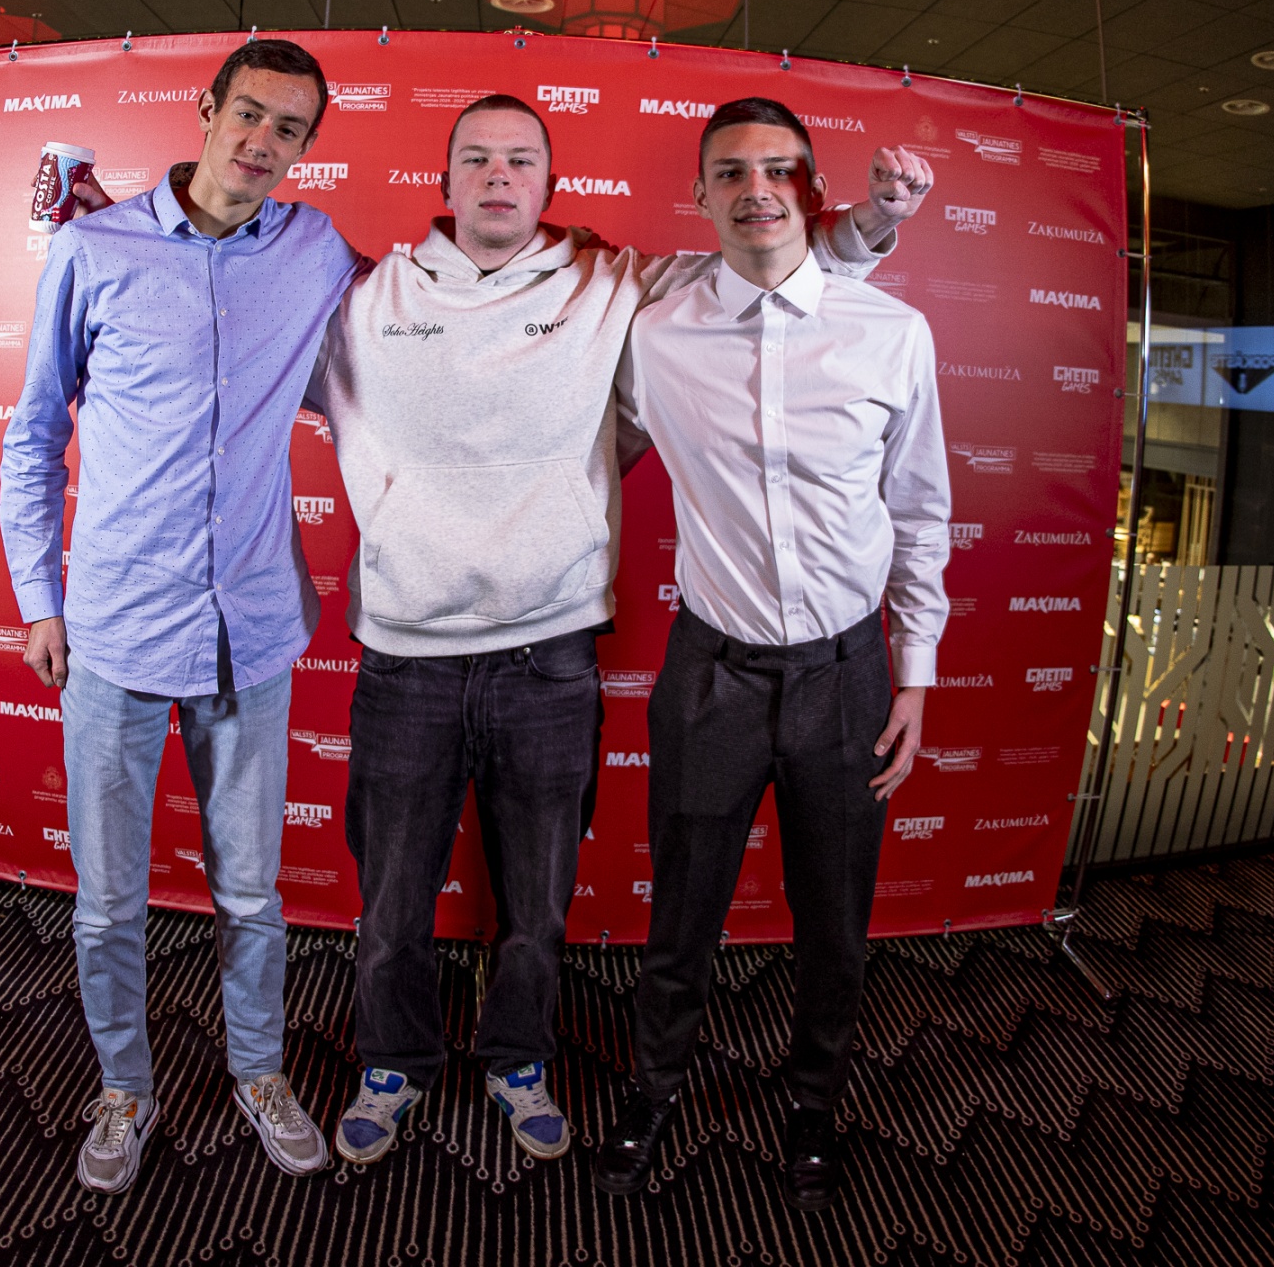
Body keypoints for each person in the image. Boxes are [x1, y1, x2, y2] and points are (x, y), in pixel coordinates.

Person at [308, 94, 936, 1169]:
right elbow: (233, 314)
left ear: (550, 185)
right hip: (409, 653)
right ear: (443, 180)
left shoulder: (616, 283)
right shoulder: (363, 296)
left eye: (521, 159)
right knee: (394, 904)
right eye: (476, 158)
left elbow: (776, 254)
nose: (498, 176)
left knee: (542, 908)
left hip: (557, 653)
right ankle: (396, 1063)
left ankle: (523, 1059)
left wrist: (880, 217)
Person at [0, 39, 359, 1192]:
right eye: (249, 113)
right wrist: (37, 598)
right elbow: (32, 433)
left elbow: (420, 330)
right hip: (112, 635)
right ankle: (124, 1087)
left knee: (250, 893)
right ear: (207, 108)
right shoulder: (91, 248)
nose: (263, 141)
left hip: (251, 635)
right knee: (109, 903)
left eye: (290, 128)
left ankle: (259, 1070)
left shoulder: (315, 251)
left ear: (306, 148)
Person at [592, 98, 949, 1212]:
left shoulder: (892, 332)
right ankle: (654, 1089)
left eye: (781, 171)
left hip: (847, 675)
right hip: (711, 674)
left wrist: (916, 672)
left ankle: (813, 1102)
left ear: (813, 191)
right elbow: (578, 449)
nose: (758, 191)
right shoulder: (655, 332)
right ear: (698, 195)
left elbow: (921, 512)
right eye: (733, 172)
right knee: (682, 910)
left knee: (836, 920)